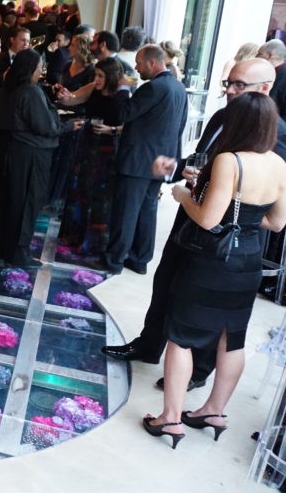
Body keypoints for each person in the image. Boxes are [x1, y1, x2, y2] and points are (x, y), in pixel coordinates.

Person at [102, 58, 286, 375]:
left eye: (239, 85)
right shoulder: (220, 117)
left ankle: (196, 372)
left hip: (226, 236)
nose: (229, 90)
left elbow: (267, 196)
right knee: (165, 284)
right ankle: (148, 345)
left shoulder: (276, 133)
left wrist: (201, 191)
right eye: (228, 83)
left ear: (265, 88)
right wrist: (178, 169)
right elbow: (204, 160)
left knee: (206, 310)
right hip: (191, 220)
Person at [143, 92, 286, 449]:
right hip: (249, 259)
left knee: (181, 335)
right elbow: (278, 221)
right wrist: (247, 219)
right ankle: (214, 411)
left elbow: (207, 219)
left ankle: (170, 418)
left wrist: (182, 196)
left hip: (211, 262)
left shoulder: (229, 160)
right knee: (231, 338)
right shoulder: (279, 164)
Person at [99, 44, 188, 275]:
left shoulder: (153, 87)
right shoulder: (179, 88)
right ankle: (140, 259)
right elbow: (180, 127)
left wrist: (122, 88)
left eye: (139, 63)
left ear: (152, 62)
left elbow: (123, 113)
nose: (136, 68)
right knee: (147, 211)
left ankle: (114, 259)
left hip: (137, 160)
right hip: (159, 161)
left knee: (126, 211)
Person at [0, 50, 80, 266]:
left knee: (8, 201)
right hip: (29, 156)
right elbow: (44, 126)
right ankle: (18, 254)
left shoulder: (7, 89)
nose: (42, 71)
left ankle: (3, 248)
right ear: (30, 69)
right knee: (26, 203)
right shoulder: (29, 91)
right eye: (40, 67)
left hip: (7, 152)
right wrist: (68, 126)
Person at [57, 57, 129, 258]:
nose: (96, 79)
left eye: (100, 76)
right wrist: (64, 95)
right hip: (87, 144)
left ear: (112, 77)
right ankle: (74, 235)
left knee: (99, 197)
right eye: (96, 74)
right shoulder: (93, 88)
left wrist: (112, 130)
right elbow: (71, 99)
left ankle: (93, 242)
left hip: (106, 151)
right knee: (80, 190)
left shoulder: (123, 96)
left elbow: (130, 126)